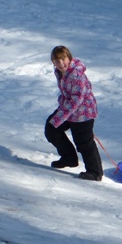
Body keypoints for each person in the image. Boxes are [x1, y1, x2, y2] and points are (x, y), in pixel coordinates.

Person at [44, 46, 104, 181]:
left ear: (69, 58)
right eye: (57, 61)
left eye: (63, 59)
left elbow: (77, 100)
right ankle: (69, 158)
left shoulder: (76, 75)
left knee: (84, 142)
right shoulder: (59, 72)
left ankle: (95, 172)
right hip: (69, 109)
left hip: (83, 112)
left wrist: (61, 116)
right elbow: (67, 94)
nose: (61, 63)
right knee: (51, 129)